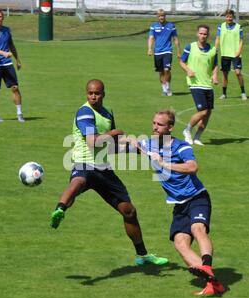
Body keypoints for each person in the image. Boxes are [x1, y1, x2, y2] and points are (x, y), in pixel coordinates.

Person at [50, 79, 168, 266]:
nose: (93, 97)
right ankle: (60, 209)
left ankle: (142, 255)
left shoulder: (107, 113)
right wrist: (116, 132)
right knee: (78, 181)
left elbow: (109, 147)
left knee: (129, 211)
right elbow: (93, 141)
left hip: (103, 168)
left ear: (103, 94)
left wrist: (136, 149)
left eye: (97, 93)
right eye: (90, 93)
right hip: (85, 163)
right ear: (86, 94)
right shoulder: (84, 112)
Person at [131, 109, 225, 296]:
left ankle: (206, 266)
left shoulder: (181, 147)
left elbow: (192, 167)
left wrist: (165, 164)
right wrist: (127, 141)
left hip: (197, 197)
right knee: (180, 243)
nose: (155, 127)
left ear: (171, 127)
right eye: (154, 123)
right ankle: (213, 283)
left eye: (160, 124)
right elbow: (128, 145)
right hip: (179, 204)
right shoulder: (149, 144)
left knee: (198, 229)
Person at [180, 25, 218, 146]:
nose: (203, 36)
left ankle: (197, 137)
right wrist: (188, 70)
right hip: (195, 84)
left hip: (208, 84)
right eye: (201, 33)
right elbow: (181, 61)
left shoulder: (213, 50)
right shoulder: (190, 47)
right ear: (197, 34)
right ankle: (187, 130)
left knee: (208, 113)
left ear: (208, 35)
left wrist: (215, 75)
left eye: (205, 34)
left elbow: (215, 64)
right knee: (203, 111)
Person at [0, 9, 24, 122]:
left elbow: (11, 45)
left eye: (0, 16)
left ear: (3, 18)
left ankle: (19, 113)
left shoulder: (7, 30)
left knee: (15, 88)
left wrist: (17, 59)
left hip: (7, 64)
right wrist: (4, 53)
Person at [148, 8, 181, 96]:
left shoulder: (171, 26)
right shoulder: (153, 26)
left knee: (167, 70)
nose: (161, 17)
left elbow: (176, 39)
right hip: (157, 52)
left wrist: (178, 51)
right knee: (161, 72)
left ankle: (168, 87)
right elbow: (151, 38)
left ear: (165, 16)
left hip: (167, 51)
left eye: (162, 16)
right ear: (157, 17)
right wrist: (150, 49)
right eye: (159, 16)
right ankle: (164, 89)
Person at [215, 9, 247, 100]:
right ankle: (224, 94)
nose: (229, 18)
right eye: (227, 17)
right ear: (225, 17)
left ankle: (243, 92)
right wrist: (215, 48)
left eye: (231, 17)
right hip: (225, 54)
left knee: (238, 72)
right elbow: (218, 38)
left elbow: (241, 41)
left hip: (236, 54)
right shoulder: (221, 26)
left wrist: (239, 51)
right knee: (225, 75)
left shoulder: (238, 27)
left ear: (233, 17)